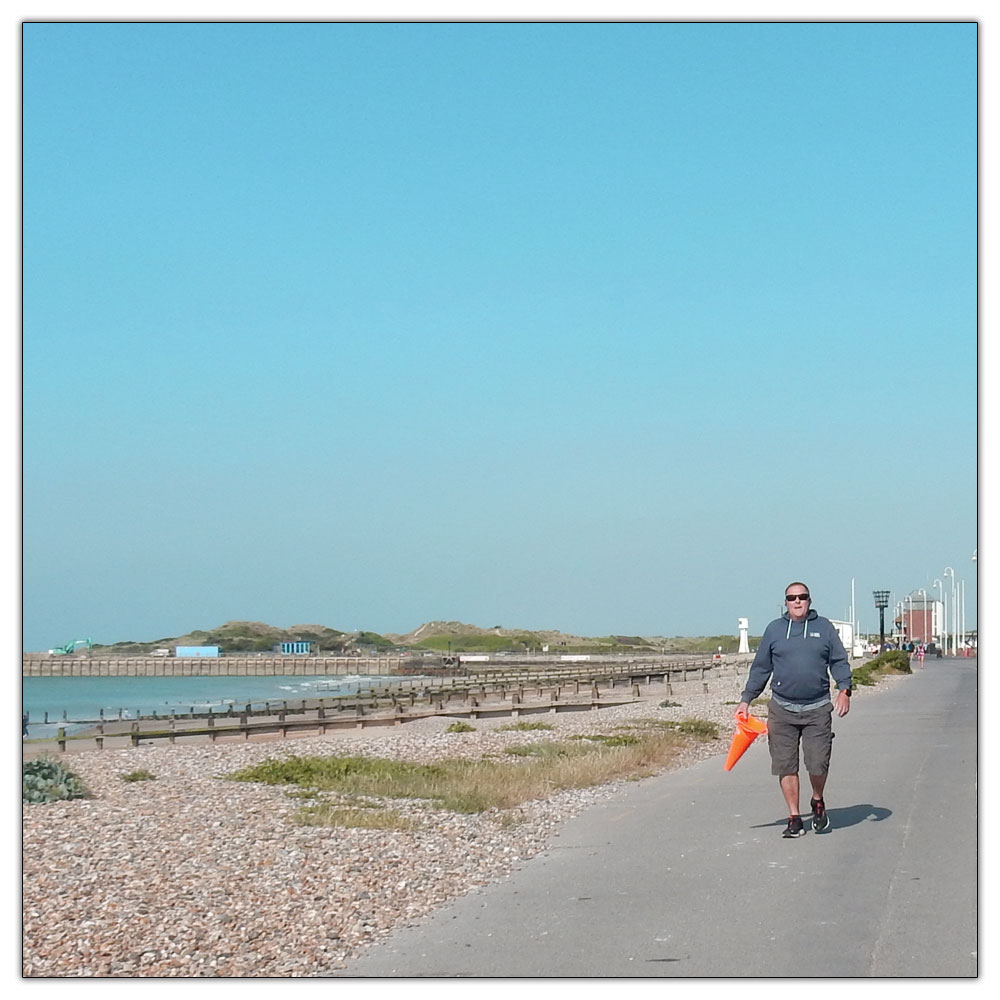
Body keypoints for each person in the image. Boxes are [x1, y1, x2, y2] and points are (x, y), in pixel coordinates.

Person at [736, 582, 852, 838]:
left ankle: (817, 800)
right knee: (785, 765)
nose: (797, 601)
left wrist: (844, 690)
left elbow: (839, 661)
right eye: (792, 598)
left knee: (818, 763)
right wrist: (746, 699)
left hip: (818, 708)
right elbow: (761, 668)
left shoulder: (824, 628)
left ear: (809, 600)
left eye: (802, 597)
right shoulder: (775, 630)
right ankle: (794, 817)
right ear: (785, 602)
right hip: (782, 709)